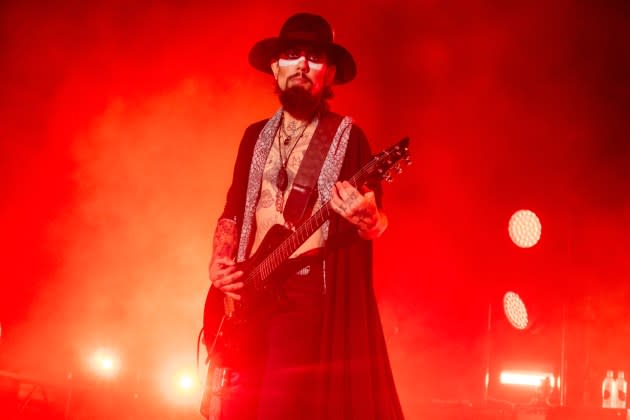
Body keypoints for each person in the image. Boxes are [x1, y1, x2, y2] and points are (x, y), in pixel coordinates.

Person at [202, 13, 404, 420]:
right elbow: (232, 210)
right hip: (248, 293)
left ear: (328, 74)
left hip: (305, 296)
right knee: (237, 410)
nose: (302, 66)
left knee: (278, 408)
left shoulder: (347, 137)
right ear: (276, 68)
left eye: (314, 58)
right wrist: (219, 262)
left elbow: (376, 221)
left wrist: (367, 216)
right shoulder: (253, 136)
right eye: (292, 55)